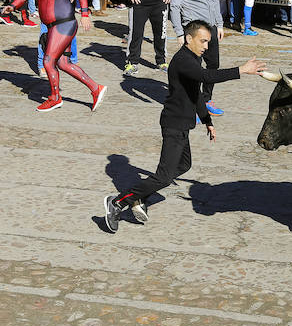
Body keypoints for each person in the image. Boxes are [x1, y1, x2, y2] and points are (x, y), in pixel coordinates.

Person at [103, 20, 266, 228]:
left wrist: (207, 120)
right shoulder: (183, 61)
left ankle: (140, 196)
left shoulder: (193, 59)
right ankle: (118, 202)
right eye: (203, 41)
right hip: (173, 124)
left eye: (208, 42)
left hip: (182, 124)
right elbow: (207, 76)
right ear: (189, 39)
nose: (206, 46)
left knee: (183, 165)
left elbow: (195, 92)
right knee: (164, 177)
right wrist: (240, 70)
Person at [2, 0, 107, 113]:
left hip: (64, 23)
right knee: (63, 63)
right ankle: (96, 88)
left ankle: (55, 98)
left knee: (48, 61)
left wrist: (85, 14)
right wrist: (12, 6)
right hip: (52, 26)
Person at [169, 0, 226, 115]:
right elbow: (174, 6)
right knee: (194, 69)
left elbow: (215, 0)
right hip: (193, 30)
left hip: (211, 28)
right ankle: (191, 104)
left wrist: (220, 24)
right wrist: (179, 32)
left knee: (214, 64)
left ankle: (206, 99)